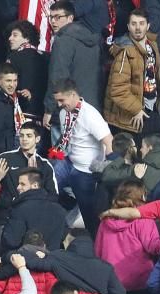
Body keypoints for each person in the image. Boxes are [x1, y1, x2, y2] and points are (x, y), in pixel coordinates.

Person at [48, 79, 112, 237]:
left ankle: (95, 238)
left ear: (73, 95)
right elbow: (66, 138)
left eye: (61, 100)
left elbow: (109, 140)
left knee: (88, 210)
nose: (59, 105)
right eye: (57, 101)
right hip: (69, 161)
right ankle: (68, 209)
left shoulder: (90, 115)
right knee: (48, 184)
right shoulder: (64, 113)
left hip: (86, 170)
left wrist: (108, 169)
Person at [103, 10, 160, 138]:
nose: (137, 28)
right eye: (134, 24)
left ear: (148, 26)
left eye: (141, 23)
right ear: (128, 27)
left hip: (151, 108)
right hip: (133, 115)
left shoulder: (152, 44)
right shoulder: (125, 51)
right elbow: (118, 90)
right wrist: (137, 109)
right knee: (135, 155)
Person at [43, 0, 100, 120]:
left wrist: (50, 109)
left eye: (58, 17)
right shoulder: (94, 41)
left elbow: (57, 76)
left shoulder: (63, 40)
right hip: (92, 109)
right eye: (51, 17)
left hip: (67, 110)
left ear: (70, 18)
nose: (53, 21)